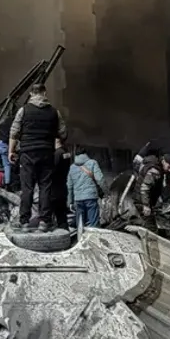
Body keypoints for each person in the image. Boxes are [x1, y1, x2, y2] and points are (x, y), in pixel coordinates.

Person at [9, 84, 67, 231]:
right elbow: (63, 133)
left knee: (27, 188)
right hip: (47, 153)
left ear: (31, 94)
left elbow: (14, 133)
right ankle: (44, 222)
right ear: (44, 93)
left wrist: (11, 151)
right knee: (45, 187)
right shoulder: (54, 112)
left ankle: (24, 222)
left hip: (27, 154)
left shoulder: (23, 111)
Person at [67, 150, 105, 228]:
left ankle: (80, 235)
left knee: (80, 224)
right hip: (91, 197)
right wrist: (106, 192)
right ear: (85, 154)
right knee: (93, 223)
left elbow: (69, 186)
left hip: (78, 199)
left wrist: (70, 202)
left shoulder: (72, 167)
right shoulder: (93, 163)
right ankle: (93, 234)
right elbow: (100, 179)